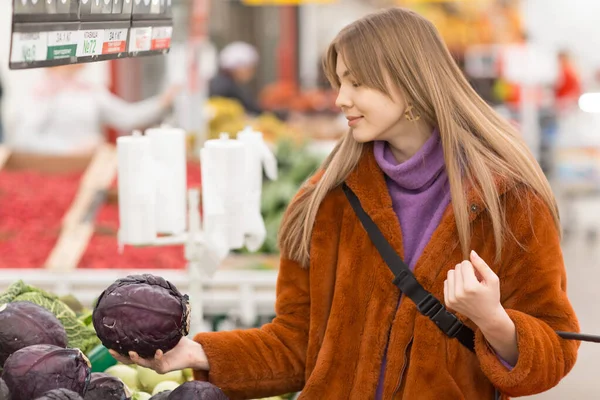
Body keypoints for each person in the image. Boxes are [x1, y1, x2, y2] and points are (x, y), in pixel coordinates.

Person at [111, 8, 580, 399]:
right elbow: (298, 343)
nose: (340, 99)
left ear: (409, 81)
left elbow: (555, 350)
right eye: (338, 82)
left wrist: (493, 320)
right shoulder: (325, 201)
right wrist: (197, 353)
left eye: (357, 84)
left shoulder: (507, 199)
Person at [8, 64, 179, 155]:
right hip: (53, 172)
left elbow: (126, 116)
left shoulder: (90, 91)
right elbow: (24, 138)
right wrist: (69, 150)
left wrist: (161, 102)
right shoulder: (40, 92)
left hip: (91, 167)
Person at [209, 41, 264, 115]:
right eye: (249, 68)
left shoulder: (225, 84)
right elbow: (253, 110)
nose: (252, 73)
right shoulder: (227, 88)